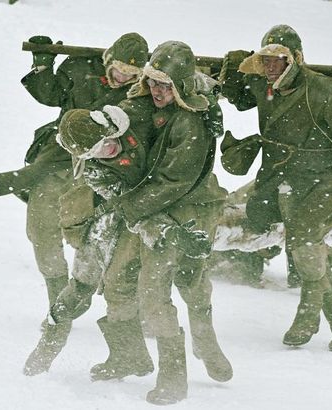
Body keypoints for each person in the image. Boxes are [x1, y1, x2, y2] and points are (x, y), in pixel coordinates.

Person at [219, 25, 332, 353]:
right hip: (287, 177)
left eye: (278, 59)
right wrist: (235, 66)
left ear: (296, 59)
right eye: (264, 59)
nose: (270, 66)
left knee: (303, 232)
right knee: (300, 240)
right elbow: (238, 100)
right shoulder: (265, 87)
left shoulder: (324, 90)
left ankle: (308, 312)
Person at [96, 41, 232, 405]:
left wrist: (126, 207)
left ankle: (179, 370)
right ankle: (127, 353)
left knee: (167, 289)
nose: (158, 90)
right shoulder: (144, 104)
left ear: (182, 86)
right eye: (153, 81)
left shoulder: (190, 123)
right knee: (118, 279)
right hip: (147, 207)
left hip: (187, 210)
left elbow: (175, 181)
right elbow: (123, 123)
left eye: (166, 84)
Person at [0, 32, 148, 325]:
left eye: (131, 74)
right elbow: (51, 95)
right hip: (59, 157)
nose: (122, 78)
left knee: (99, 237)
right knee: (41, 227)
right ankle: (57, 302)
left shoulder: (144, 89)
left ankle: (120, 307)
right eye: (118, 70)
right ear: (108, 60)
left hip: (108, 166)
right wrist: (42, 65)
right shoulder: (80, 68)